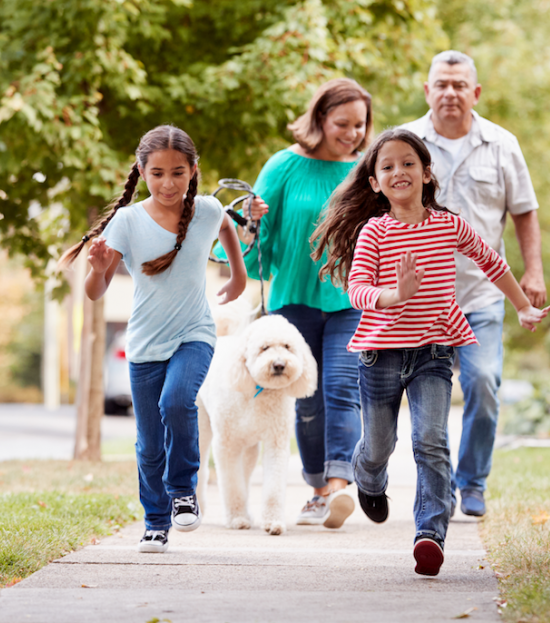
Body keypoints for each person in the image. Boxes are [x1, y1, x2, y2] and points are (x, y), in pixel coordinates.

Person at [311, 129, 550, 576]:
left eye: (408, 163)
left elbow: (492, 261)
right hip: (380, 354)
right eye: (387, 167)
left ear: (425, 172)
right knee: (379, 444)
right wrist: (394, 295)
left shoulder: (448, 224)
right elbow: (358, 289)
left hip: (433, 352)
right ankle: (369, 479)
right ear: (375, 184)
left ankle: (430, 534)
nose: (398, 171)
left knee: (431, 441)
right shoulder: (374, 232)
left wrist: (522, 306)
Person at [58, 125, 249, 554]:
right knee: (148, 443)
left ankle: (184, 491)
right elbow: (95, 291)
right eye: (158, 173)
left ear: (193, 170)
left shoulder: (206, 210)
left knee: (176, 402)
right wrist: (98, 267)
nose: (168, 183)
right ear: (141, 171)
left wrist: (238, 275)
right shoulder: (127, 221)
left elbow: (227, 229)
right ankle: (156, 522)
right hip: (144, 344)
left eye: (178, 172)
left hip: (194, 333)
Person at [400, 50, 547, 519]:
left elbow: (524, 210)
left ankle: (473, 481)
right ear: (427, 91)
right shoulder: (405, 145)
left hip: (483, 293)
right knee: (426, 404)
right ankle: (437, 491)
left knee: (483, 383)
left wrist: (533, 271)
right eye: (441, 84)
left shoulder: (502, 144)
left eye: (459, 85)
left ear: (475, 92)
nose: (449, 92)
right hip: (422, 301)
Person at [225, 78, 373, 529]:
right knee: (305, 399)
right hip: (293, 301)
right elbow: (258, 246)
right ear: (320, 119)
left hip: (350, 298)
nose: (351, 133)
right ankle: (316, 489)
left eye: (359, 125)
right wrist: (250, 222)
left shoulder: (366, 170)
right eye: (341, 123)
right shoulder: (284, 166)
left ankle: (338, 487)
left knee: (342, 390)